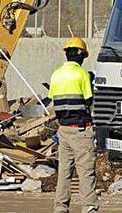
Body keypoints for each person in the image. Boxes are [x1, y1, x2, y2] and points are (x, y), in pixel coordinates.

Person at [49, 37, 98, 213]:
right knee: (86, 172)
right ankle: (89, 208)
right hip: (81, 130)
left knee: (64, 172)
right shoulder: (82, 74)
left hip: (63, 130)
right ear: (81, 55)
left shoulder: (56, 74)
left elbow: (56, 101)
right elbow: (89, 100)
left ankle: (60, 207)